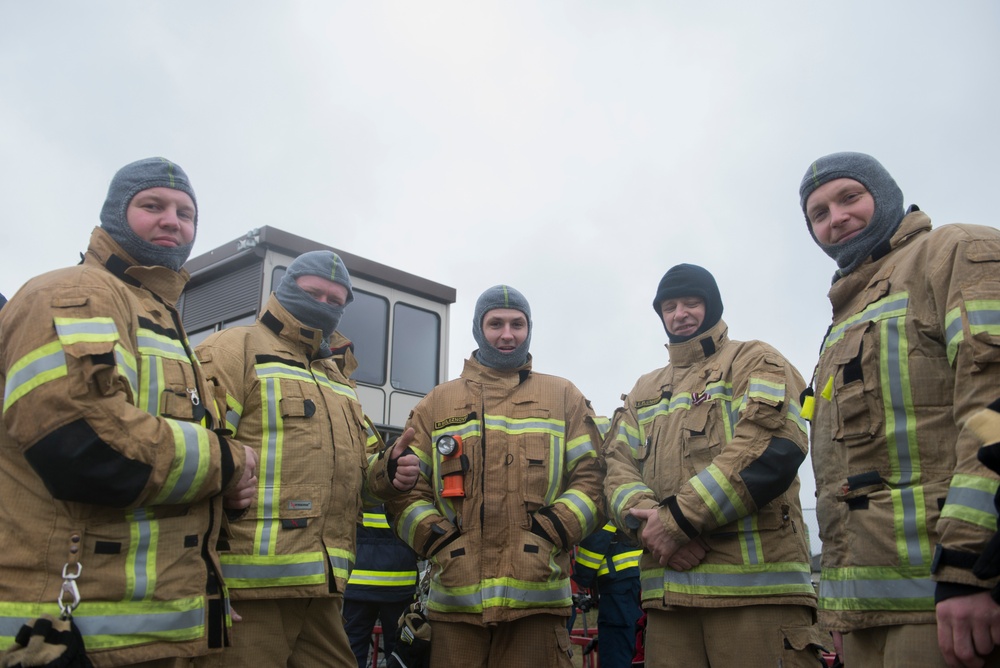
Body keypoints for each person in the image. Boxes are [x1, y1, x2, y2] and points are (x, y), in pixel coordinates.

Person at [0, 157, 257, 667]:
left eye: (185, 213)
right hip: (70, 635)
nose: (172, 221)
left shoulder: (163, 320)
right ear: (115, 214)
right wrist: (227, 462)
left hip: (152, 631)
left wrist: (222, 497)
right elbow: (83, 447)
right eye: (152, 205)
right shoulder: (74, 293)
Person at [799, 152, 1000, 668]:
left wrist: (968, 567)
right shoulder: (845, 314)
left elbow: (992, 411)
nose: (836, 218)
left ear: (884, 195)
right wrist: (841, 606)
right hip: (866, 614)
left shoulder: (954, 250)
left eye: (849, 197)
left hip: (950, 600)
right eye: (818, 213)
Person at [193, 250, 418, 667]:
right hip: (246, 592)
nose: (324, 306)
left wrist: (388, 470)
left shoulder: (338, 379)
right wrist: (202, 577)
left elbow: (362, 474)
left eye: (336, 301)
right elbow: (195, 453)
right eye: (313, 293)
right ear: (284, 287)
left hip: (324, 592)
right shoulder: (233, 349)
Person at [603, 264, 827, 668]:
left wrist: (675, 523)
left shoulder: (754, 359)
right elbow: (616, 470)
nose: (680, 314)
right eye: (669, 307)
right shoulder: (643, 390)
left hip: (757, 598)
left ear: (713, 305)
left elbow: (771, 448)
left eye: (692, 302)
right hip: (669, 600)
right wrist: (653, 527)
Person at [385, 284, 606, 667]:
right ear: (478, 329)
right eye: (496, 324)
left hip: (537, 606)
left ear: (529, 328)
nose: (507, 335)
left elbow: (594, 482)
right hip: (454, 607)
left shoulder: (563, 397)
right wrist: (440, 543)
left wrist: (549, 533)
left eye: (517, 324)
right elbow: (404, 492)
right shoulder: (437, 403)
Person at [343, 502, 419, 668]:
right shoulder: (406, 485)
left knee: (350, 649)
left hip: (358, 581)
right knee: (400, 650)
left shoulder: (356, 485)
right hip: (399, 581)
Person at [569, 521, 643, 668]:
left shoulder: (605, 507)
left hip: (619, 585)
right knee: (640, 642)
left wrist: (582, 577)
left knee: (617, 649)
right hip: (639, 577)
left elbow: (597, 537)